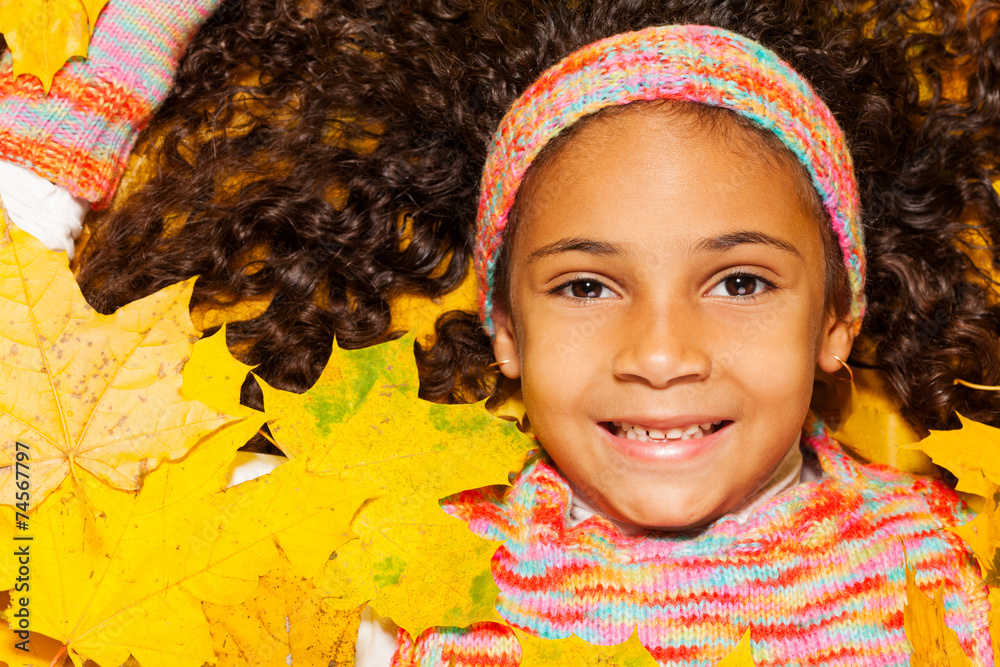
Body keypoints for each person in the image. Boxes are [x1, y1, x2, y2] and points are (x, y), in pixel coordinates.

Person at [1, 1, 998, 665]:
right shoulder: (393, 561)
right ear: (504, 326)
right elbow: (39, 496)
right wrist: (82, 125)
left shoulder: (947, 563)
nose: (659, 353)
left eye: (737, 281)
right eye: (584, 285)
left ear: (838, 315)